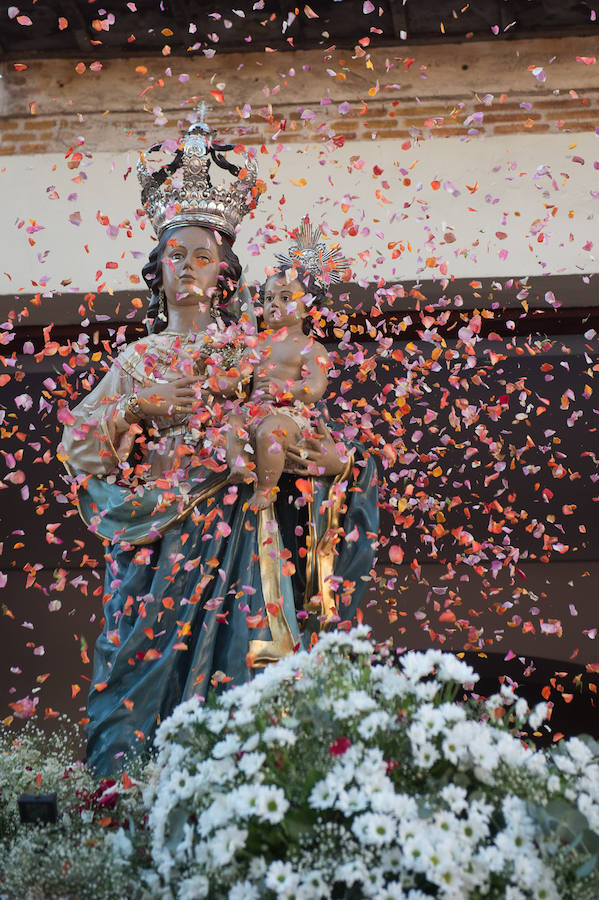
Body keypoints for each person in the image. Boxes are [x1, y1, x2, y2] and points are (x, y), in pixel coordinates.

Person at [59, 115, 379, 776]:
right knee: (135, 668)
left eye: (201, 255)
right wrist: (140, 406)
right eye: (175, 254)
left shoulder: (252, 353)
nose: (186, 267)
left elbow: (308, 441)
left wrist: (332, 468)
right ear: (158, 266)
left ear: (225, 270)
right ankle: (125, 798)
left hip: (242, 540)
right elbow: (80, 447)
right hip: (153, 551)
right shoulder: (138, 359)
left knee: (247, 675)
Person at [226, 264, 331, 511]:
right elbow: (239, 376)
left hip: (289, 416)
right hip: (254, 410)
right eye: (269, 298)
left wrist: (285, 388)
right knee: (232, 421)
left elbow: (315, 387)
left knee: (269, 433)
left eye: (285, 298)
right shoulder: (257, 344)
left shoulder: (311, 347)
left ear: (308, 309)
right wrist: (224, 381)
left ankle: (265, 489)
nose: (274, 304)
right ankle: (239, 464)